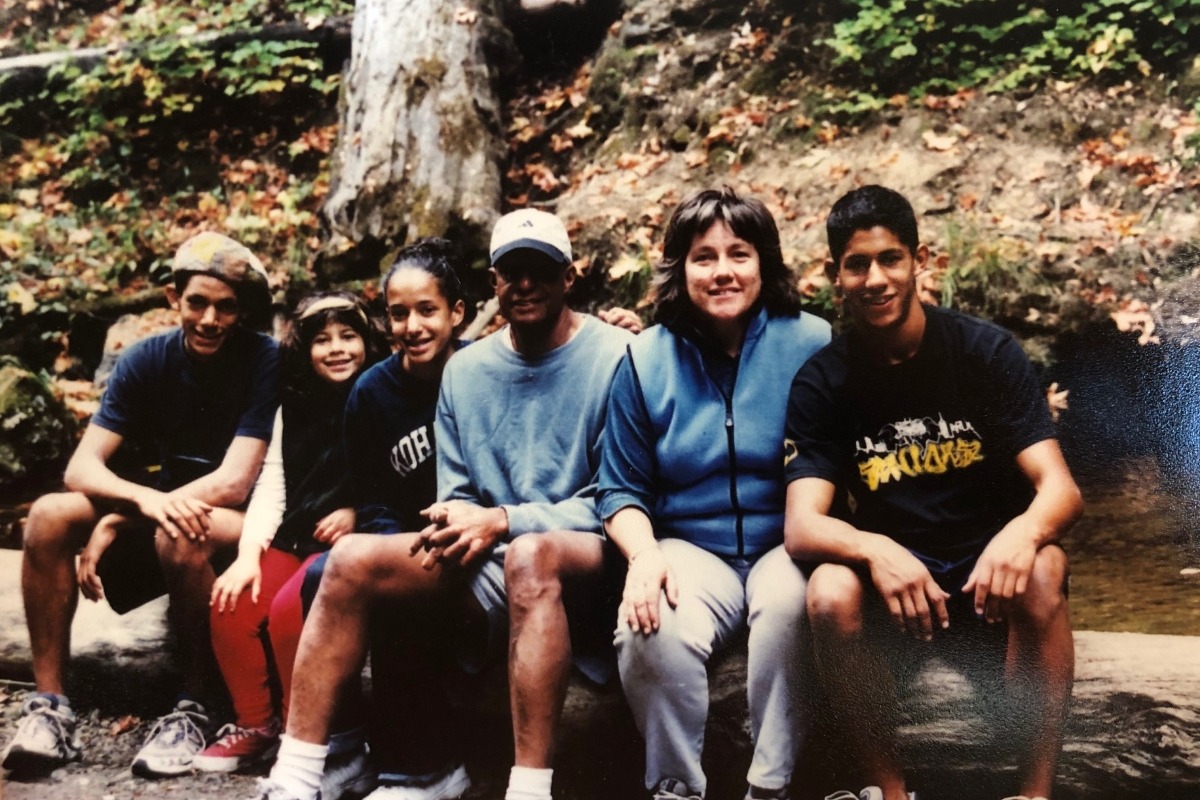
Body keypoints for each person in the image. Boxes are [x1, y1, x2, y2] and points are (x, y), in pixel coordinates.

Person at [253, 208, 634, 800]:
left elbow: (620, 495)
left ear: (569, 276)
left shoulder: (618, 355)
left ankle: (528, 790)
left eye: (540, 270)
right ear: (493, 283)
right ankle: (298, 775)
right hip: (487, 556)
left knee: (529, 556)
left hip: (582, 555)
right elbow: (454, 492)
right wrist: (456, 521)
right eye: (511, 272)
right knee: (352, 559)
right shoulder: (467, 370)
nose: (524, 284)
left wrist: (505, 520)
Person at [783, 185, 1082, 800]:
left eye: (890, 259)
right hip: (903, 593)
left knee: (1044, 564)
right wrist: (874, 550)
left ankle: (1034, 792)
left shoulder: (984, 352)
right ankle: (887, 791)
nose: (875, 279)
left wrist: (1022, 533)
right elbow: (803, 525)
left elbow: (1061, 490)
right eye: (857, 264)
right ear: (836, 276)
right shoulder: (824, 380)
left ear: (921, 260)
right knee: (828, 589)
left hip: (991, 582)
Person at [2, 231, 279, 778]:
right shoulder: (146, 359)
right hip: (167, 512)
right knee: (49, 515)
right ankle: (50, 708)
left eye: (226, 307)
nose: (209, 319)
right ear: (174, 298)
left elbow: (234, 482)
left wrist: (120, 516)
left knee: (180, 528)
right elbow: (81, 468)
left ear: (242, 312)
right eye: (197, 302)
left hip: (245, 525)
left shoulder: (264, 359)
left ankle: (196, 706)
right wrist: (137, 504)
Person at [598, 187, 830, 800]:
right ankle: (675, 786)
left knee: (789, 607)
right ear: (681, 270)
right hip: (690, 547)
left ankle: (770, 786)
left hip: (787, 538)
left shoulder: (814, 342)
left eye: (739, 254)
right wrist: (644, 556)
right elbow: (619, 487)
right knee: (648, 625)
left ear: (764, 264)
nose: (722, 271)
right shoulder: (644, 357)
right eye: (704, 257)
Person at [196, 290, 388, 777]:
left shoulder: (382, 394)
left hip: (348, 545)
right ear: (305, 350)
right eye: (322, 340)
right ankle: (256, 725)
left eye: (348, 336)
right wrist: (247, 556)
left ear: (367, 341)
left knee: (291, 612)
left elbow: (393, 480)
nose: (337, 348)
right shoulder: (293, 403)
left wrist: (356, 513)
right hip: (296, 535)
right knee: (232, 602)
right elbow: (274, 485)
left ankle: (302, 733)